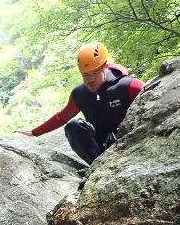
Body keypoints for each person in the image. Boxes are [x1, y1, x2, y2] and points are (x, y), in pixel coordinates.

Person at [16, 42, 144, 164]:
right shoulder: (80, 94)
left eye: (95, 72)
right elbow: (62, 117)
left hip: (128, 141)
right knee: (74, 126)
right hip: (99, 148)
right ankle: (97, 166)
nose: (90, 79)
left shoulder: (129, 86)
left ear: (105, 67)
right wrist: (34, 132)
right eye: (86, 74)